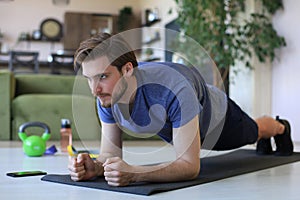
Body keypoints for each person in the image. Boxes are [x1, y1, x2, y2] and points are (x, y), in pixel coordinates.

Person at [68, 32, 293, 187]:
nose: (94, 89)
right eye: (89, 79)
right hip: (179, 122)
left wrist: (135, 174)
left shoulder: (173, 88)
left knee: (253, 131)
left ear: (127, 69)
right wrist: (95, 168)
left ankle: (280, 127)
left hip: (216, 117)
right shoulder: (107, 94)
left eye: (103, 77)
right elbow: (110, 155)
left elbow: (189, 166)